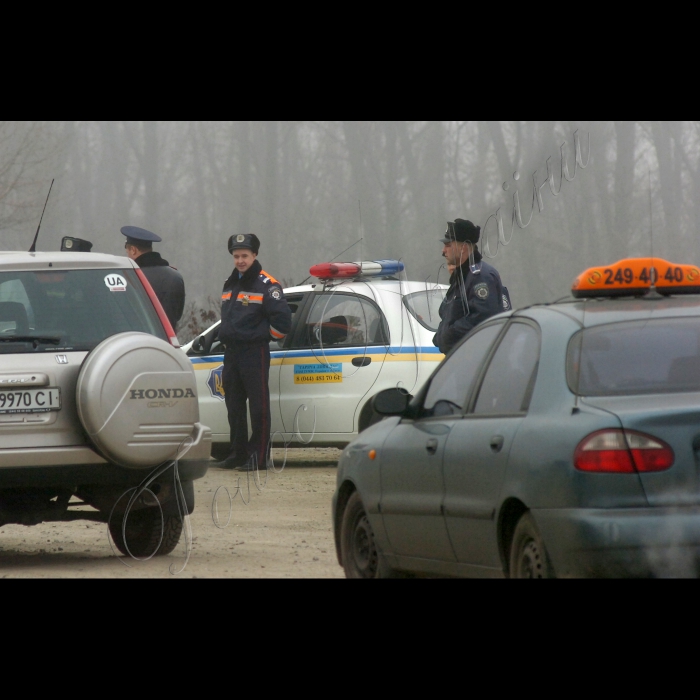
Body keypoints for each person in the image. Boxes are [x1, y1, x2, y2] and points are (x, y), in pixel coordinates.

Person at [217, 234, 292, 472]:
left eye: (245, 256)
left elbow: (282, 323)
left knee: (258, 408)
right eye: (236, 256)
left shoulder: (267, 285)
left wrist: (261, 337)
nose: (240, 260)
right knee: (234, 406)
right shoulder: (231, 282)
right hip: (232, 353)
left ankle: (259, 457)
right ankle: (238, 454)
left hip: (254, 353)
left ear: (255, 255)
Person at [434, 219, 511, 355]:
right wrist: (440, 337)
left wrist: (449, 335)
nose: (443, 251)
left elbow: (483, 317)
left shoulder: (480, 277)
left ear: (463, 248)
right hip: (463, 357)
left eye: (448, 245)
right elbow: (449, 313)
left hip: (480, 359)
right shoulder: (462, 277)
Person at [121, 226, 186, 329]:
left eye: (127, 251)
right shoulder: (175, 276)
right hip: (167, 342)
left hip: (135, 340)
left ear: (133, 250)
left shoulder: (129, 277)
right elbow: (177, 314)